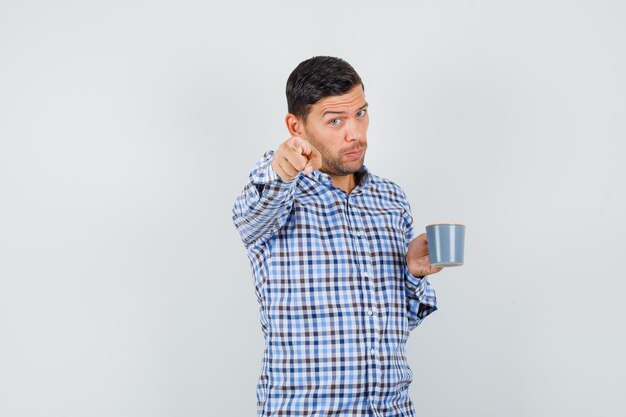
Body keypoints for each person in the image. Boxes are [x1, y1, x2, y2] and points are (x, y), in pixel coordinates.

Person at [232, 56, 442, 417]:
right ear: (296, 127)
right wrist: (279, 168)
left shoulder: (391, 199)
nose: (355, 133)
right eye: (335, 121)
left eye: (360, 114)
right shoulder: (279, 193)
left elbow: (396, 324)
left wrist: (412, 274)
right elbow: (249, 216)